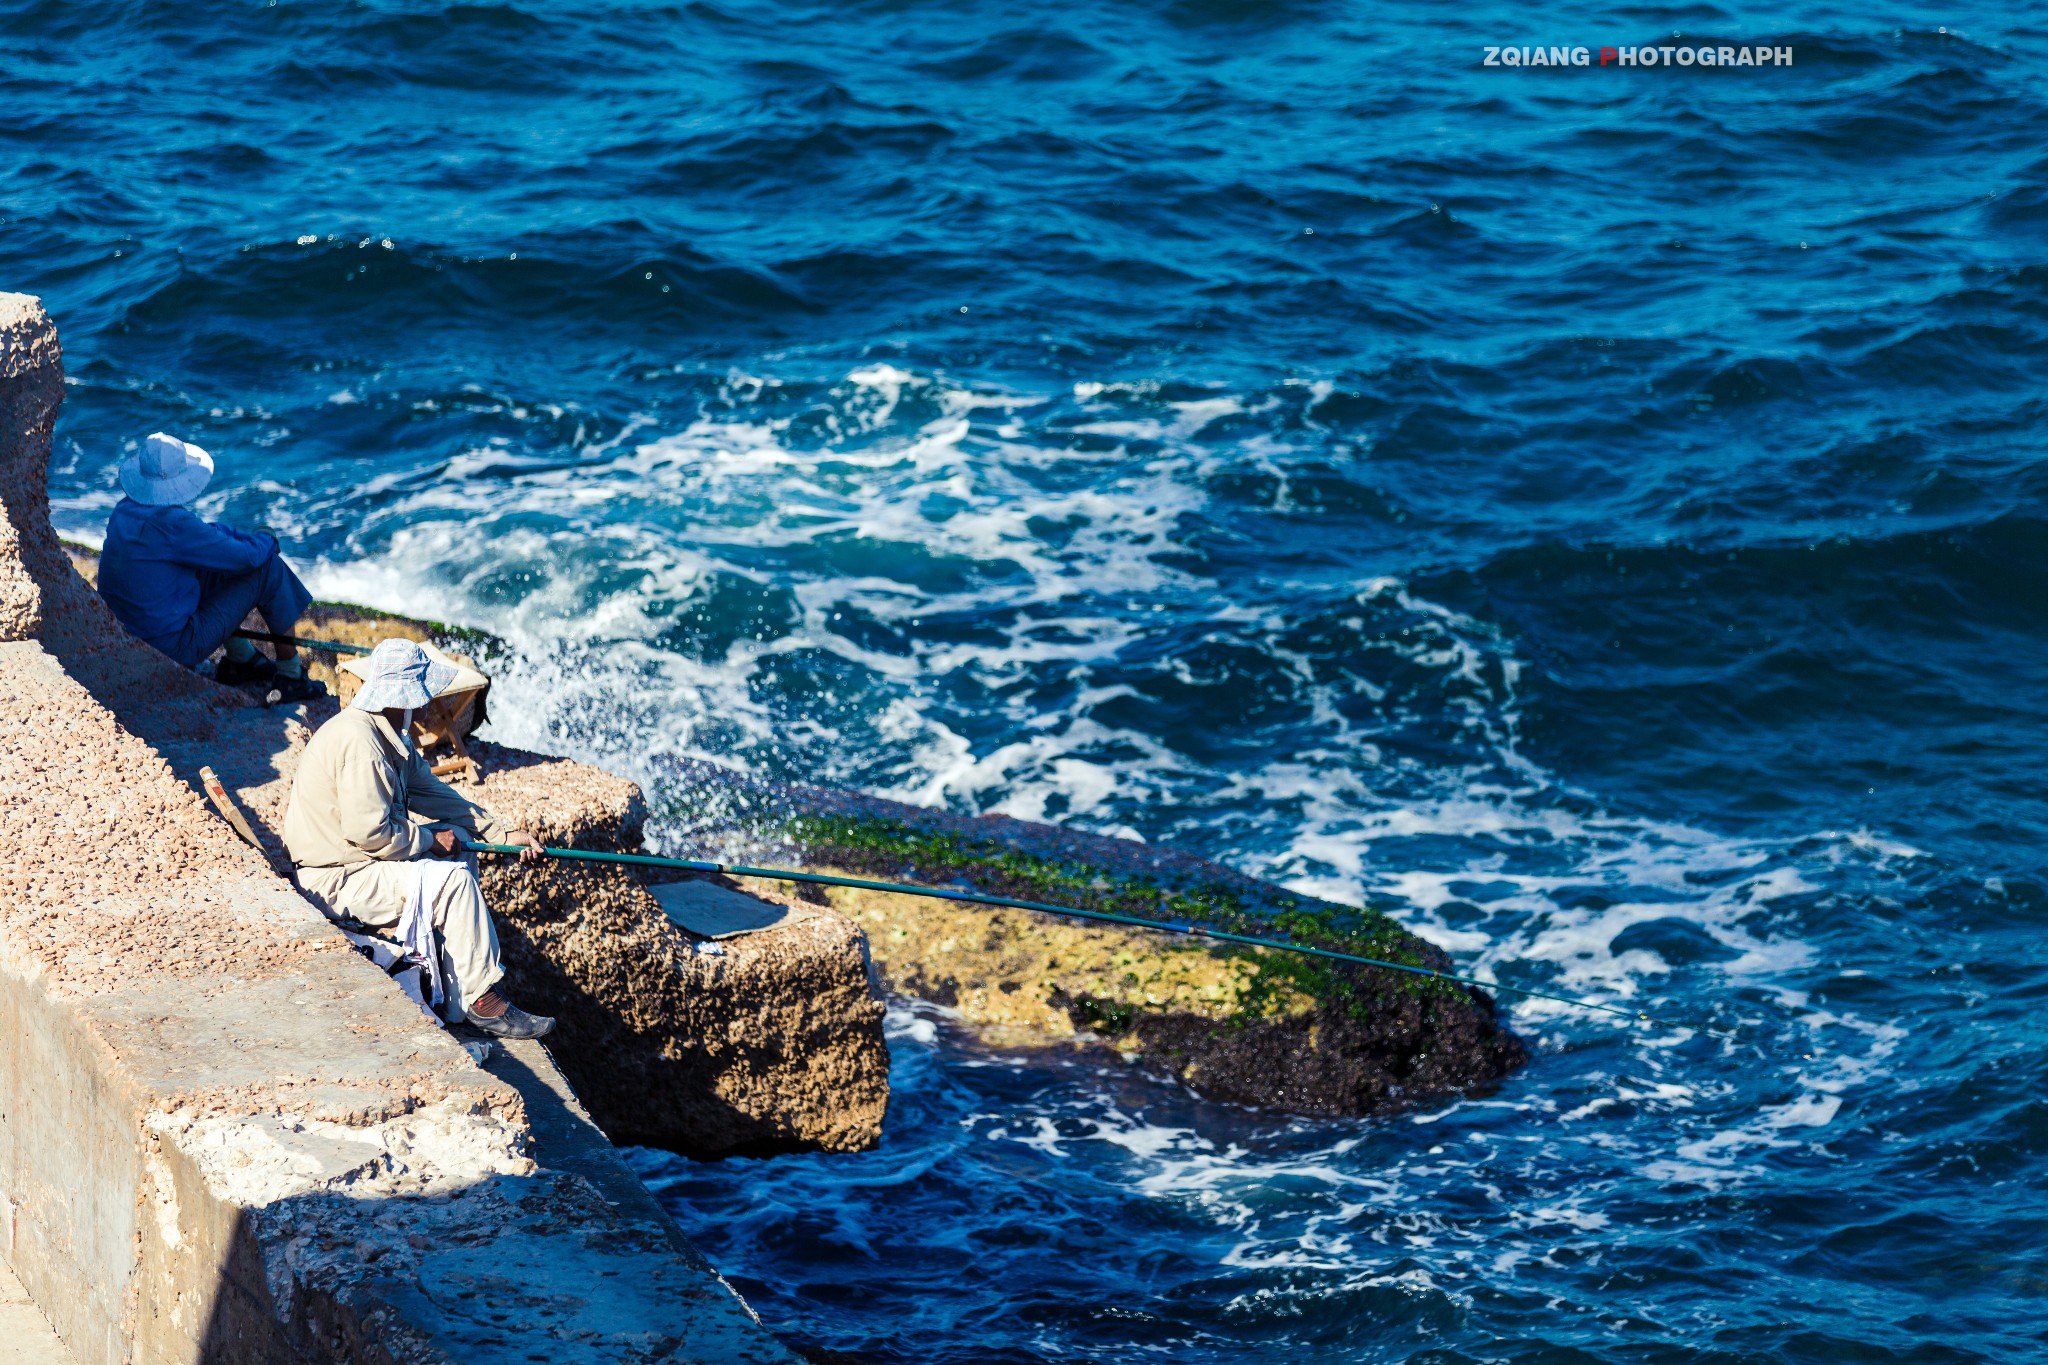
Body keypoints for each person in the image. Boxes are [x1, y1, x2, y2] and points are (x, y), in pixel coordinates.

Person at [282, 638, 556, 1039]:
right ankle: (482, 1001)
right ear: (403, 697)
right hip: (335, 879)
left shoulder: (386, 734)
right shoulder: (362, 745)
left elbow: (435, 794)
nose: (428, 703)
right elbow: (370, 833)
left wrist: (501, 833)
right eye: (423, 693)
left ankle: (458, 989)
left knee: (458, 842)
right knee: (454, 882)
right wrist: (429, 840)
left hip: (361, 863)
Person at [96, 431, 323, 702]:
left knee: (211, 566)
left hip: (126, 637)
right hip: (170, 649)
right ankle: (291, 676)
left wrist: (245, 540)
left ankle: (242, 660)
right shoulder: (172, 523)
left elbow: (206, 536)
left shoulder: (124, 511)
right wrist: (267, 539)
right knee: (267, 568)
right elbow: (246, 559)